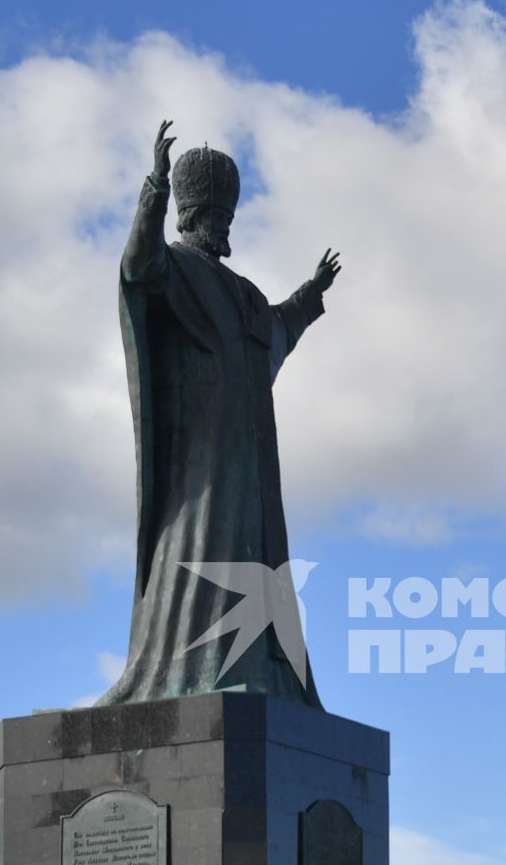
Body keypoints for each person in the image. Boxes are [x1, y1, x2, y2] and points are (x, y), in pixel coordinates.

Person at [99, 119, 341, 707]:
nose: (221, 230)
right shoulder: (178, 270)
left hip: (252, 468)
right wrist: (153, 190)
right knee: (197, 550)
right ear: (191, 218)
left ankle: (263, 669)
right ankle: (177, 667)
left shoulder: (244, 293)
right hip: (200, 463)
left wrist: (309, 297)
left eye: (226, 221)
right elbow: (138, 267)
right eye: (214, 220)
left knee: (253, 558)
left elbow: (275, 331)